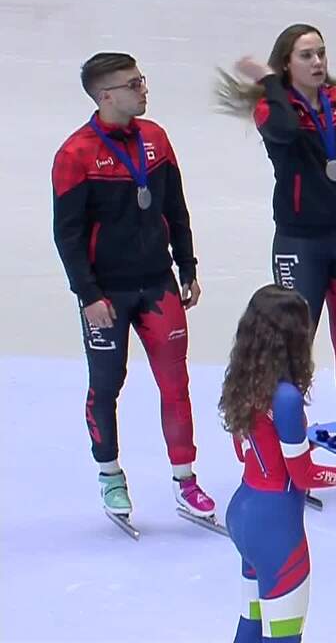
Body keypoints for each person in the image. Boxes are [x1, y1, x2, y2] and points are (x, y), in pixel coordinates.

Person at [52, 52, 216, 524]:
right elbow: (68, 234)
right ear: (106, 96)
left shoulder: (156, 139)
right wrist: (88, 295)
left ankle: (186, 480)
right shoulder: (76, 155)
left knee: (175, 383)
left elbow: (176, 208)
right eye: (133, 84)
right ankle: (110, 475)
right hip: (107, 294)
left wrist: (187, 266)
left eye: (141, 79)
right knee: (106, 385)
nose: (143, 89)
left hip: (157, 284)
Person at [217, 23, 336, 423]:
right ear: (286, 64)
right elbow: (286, 131)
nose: (318, 61)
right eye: (306, 55)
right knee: (290, 347)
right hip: (299, 244)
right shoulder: (270, 109)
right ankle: (290, 444)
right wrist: (270, 83)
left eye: (321, 53)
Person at [220, 285, 336, 643]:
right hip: (277, 528)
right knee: (282, 637)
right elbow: (302, 474)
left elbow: (247, 448)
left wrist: (302, 438)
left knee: (251, 624)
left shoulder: (242, 380)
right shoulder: (287, 397)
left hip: (244, 514)